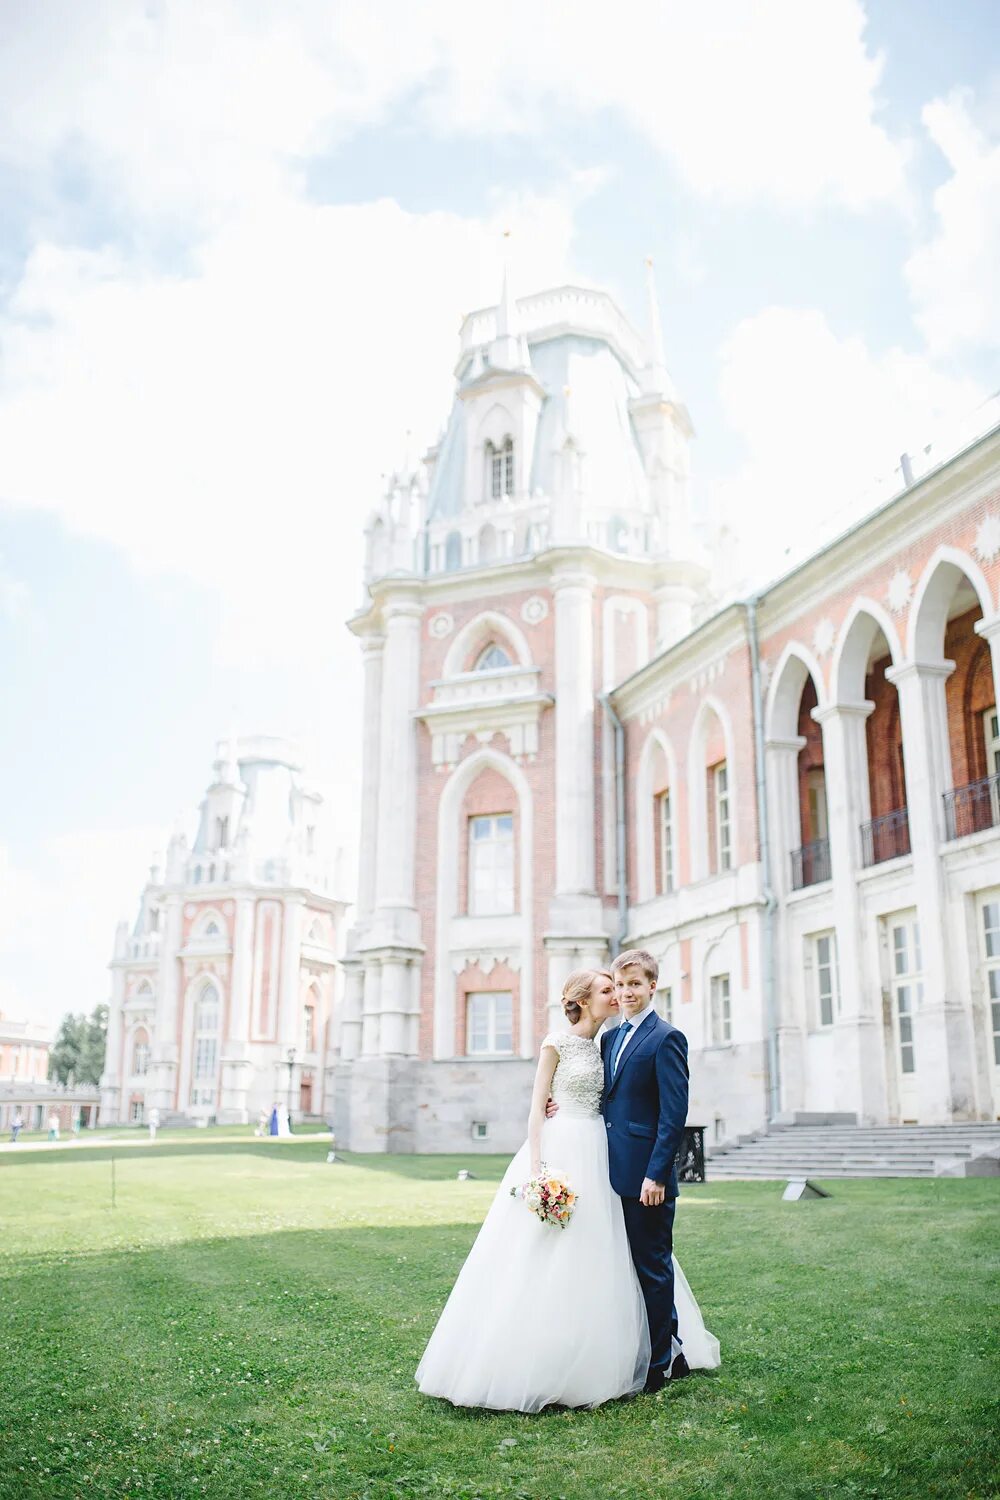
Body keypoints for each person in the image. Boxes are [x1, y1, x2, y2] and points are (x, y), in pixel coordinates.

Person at [416, 970, 716, 1412]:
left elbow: (623, 1098)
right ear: (583, 999)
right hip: (560, 1151)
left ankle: (637, 1349)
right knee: (545, 1253)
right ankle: (538, 1357)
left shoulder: (610, 1042)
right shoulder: (557, 1043)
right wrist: (538, 1169)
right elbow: (536, 1110)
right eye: (607, 990)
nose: (616, 995)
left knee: (608, 1249)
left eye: (619, 987)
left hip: (604, 1155)